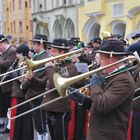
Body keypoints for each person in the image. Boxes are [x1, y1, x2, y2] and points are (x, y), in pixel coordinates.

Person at [69, 40, 135, 140]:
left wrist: (95, 84)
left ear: (111, 58)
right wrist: (84, 100)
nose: (100, 64)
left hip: (108, 136)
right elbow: (101, 101)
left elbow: (103, 105)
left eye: (102, 59)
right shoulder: (112, 75)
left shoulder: (124, 80)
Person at [21, 34, 49, 139]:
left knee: (41, 124)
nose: (32, 46)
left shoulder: (45, 57)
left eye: (34, 44)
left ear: (40, 44)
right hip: (33, 93)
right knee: (38, 123)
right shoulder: (37, 57)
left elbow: (34, 76)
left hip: (38, 94)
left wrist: (22, 86)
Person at [10, 44, 34, 140]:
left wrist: (13, 74)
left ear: (21, 54)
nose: (16, 56)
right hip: (18, 94)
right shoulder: (18, 62)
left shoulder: (26, 63)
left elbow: (23, 79)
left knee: (21, 120)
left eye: (17, 54)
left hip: (21, 95)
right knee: (18, 121)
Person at [0, 34, 16, 132]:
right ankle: (2, 122)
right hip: (3, 84)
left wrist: (0, 56)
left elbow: (6, 64)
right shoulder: (4, 53)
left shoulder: (12, 51)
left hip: (9, 84)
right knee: (2, 104)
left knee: (9, 105)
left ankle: (10, 126)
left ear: (3, 43)